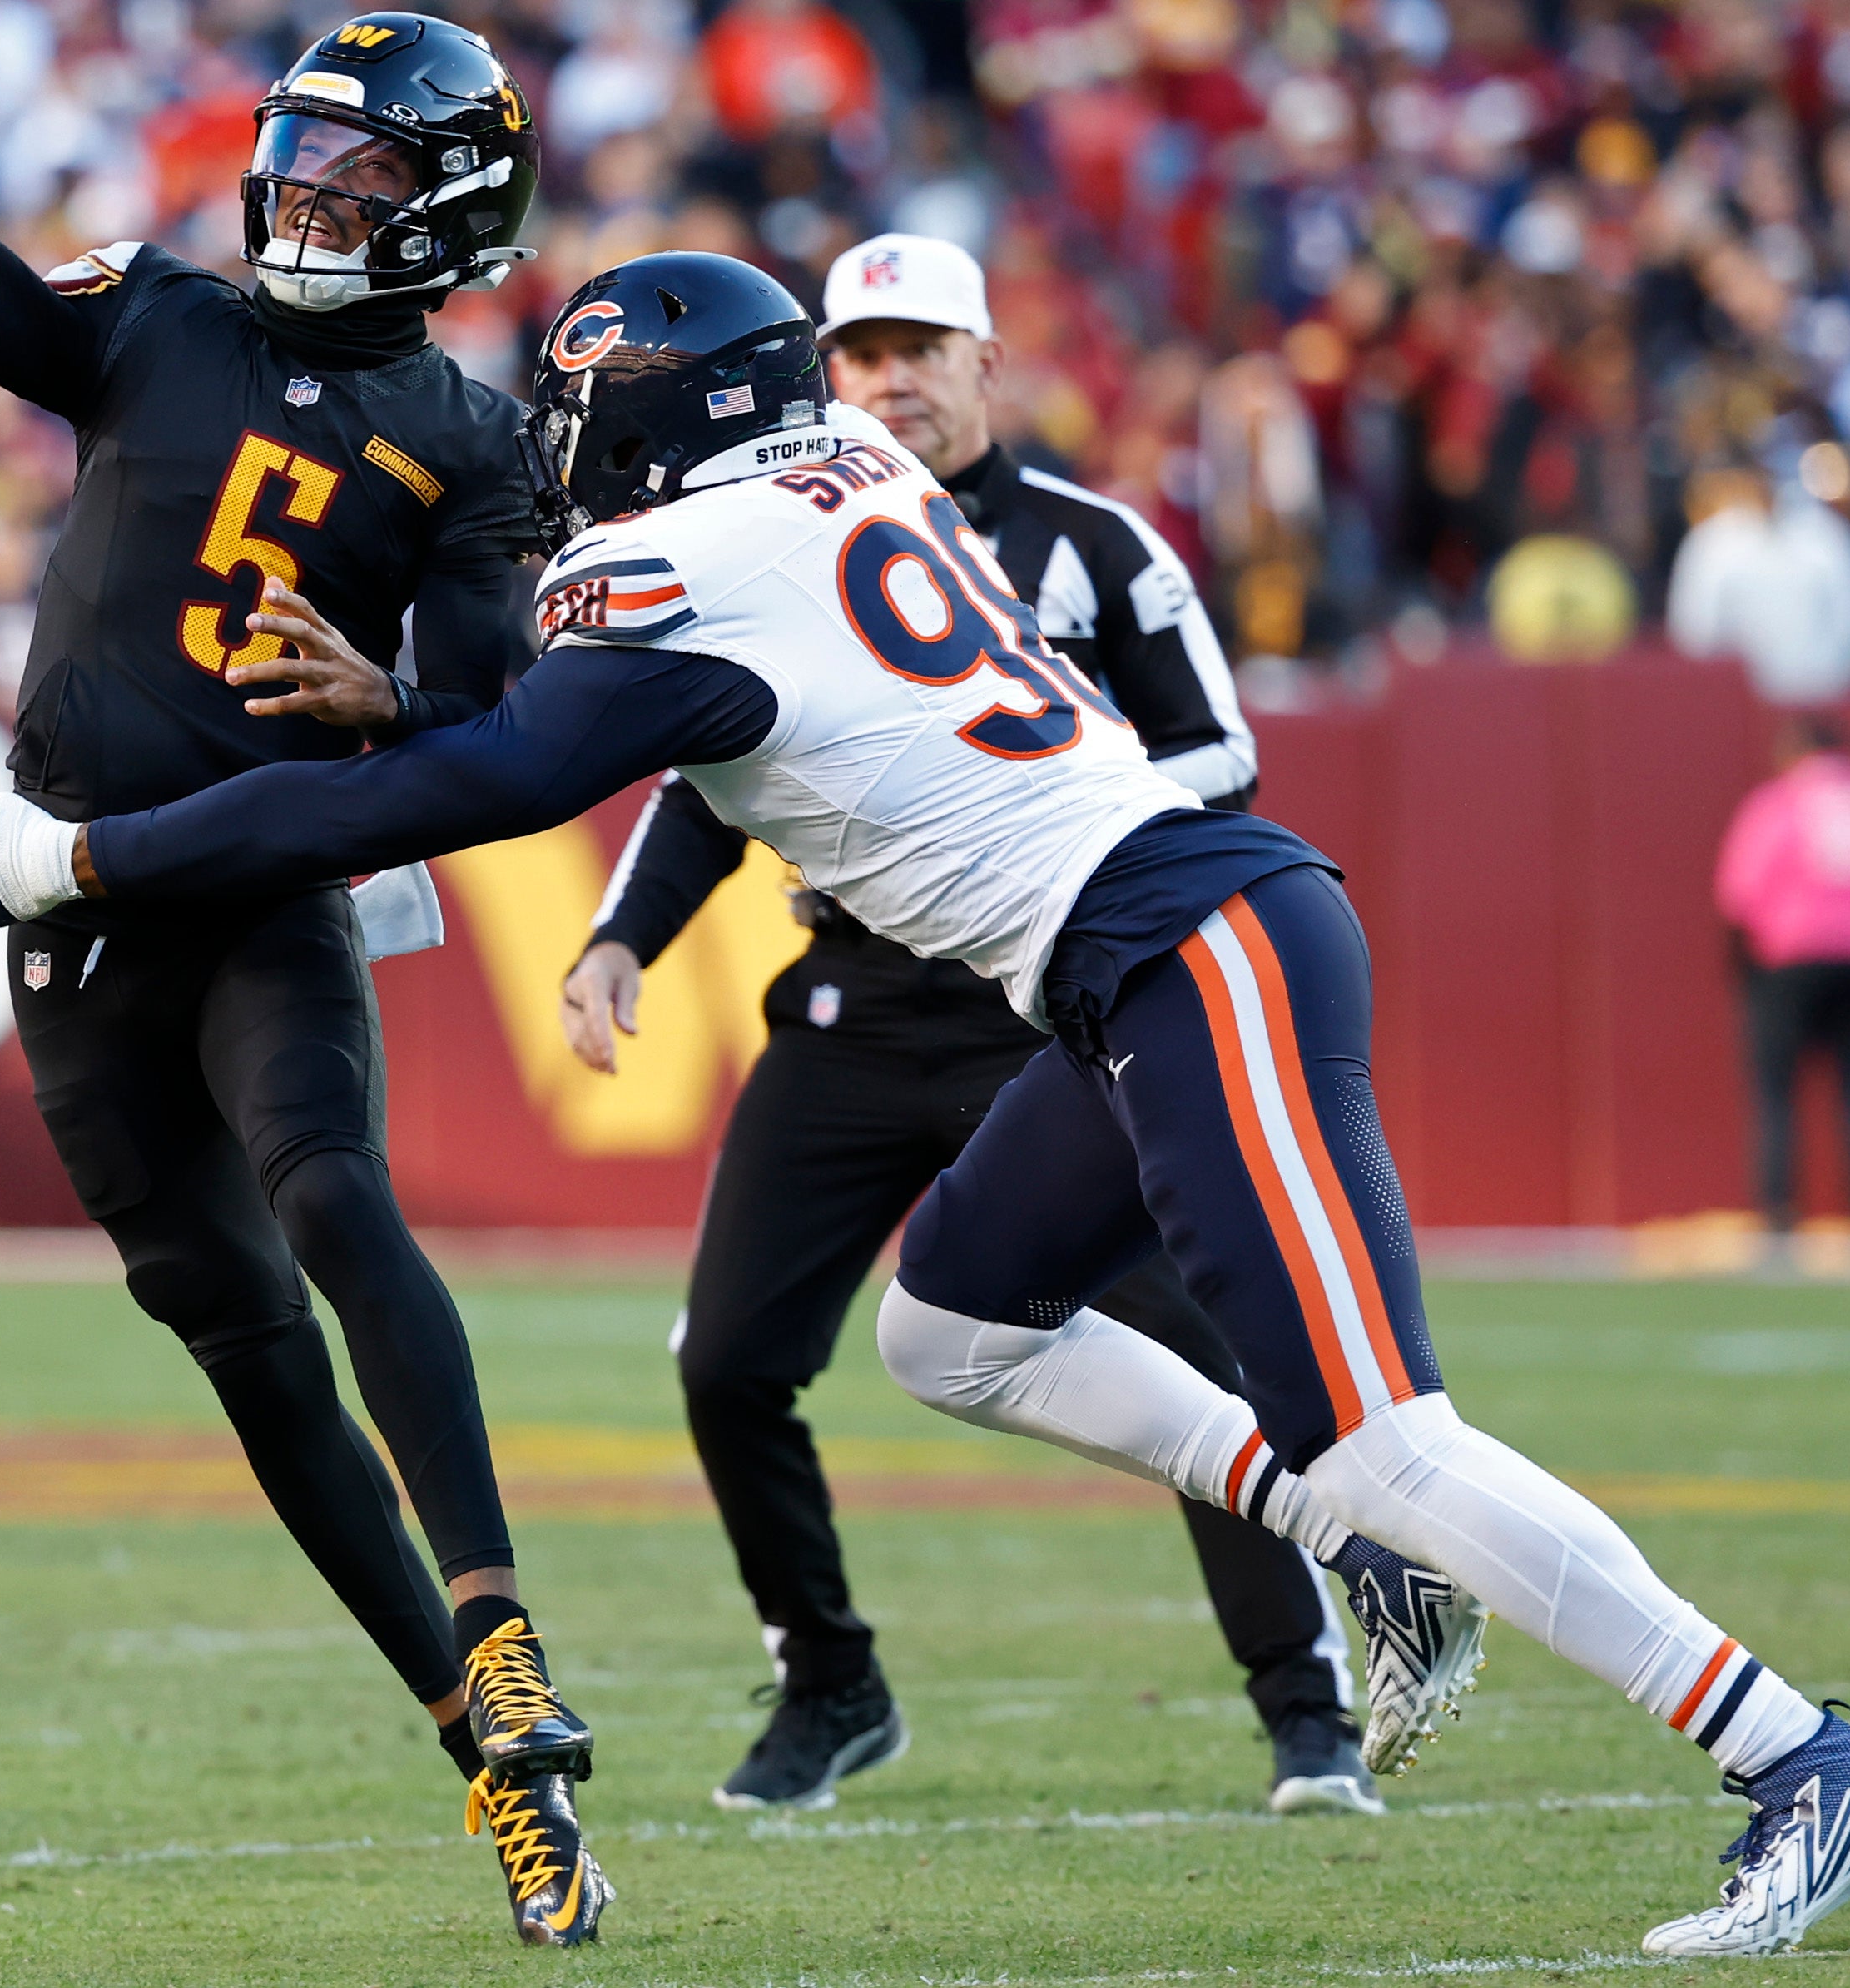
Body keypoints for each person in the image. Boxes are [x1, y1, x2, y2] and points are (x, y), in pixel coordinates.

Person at [0, 252, 1850, 1960]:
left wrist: (70, 859)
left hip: (1188, 939)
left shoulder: (674, 569)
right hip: (1122, 958)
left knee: (1393, 1424)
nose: (564, 455)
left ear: (666, 430)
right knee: (952, 1322)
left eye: (593, 416)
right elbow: (602, 718)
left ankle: (1800, 1752)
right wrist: (427, 713)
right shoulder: (853, 466)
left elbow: (481, 781)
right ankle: (1341, 1526)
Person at [0, 0, 609, 1945]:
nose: (311, 198)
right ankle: (481, 1756)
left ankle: (504, 1630)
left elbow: (504, 719)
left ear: (449, 209)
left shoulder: (474, 437)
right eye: (304, 162)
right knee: (248, 1347)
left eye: (361, 177)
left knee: (336, 1195)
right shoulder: (159, 313)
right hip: (61, 904)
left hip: (254, 885)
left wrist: (395, 690)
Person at [557, 233, 1372, 1817]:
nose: (893, 379)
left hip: (1048, 1008)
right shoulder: (761, 530)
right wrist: (619, 936)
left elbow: (1222, 762)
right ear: (816, 378)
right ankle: (830, 1682)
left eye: (924, 346)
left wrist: (1042, 805)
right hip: (853, 1010)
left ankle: (1303, 1704)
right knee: (725, 1360)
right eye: (861, 354)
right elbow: (700, 773)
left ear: (989, 361)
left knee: (1193, 1350)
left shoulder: (1095, 546)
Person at [1713, 718, 1850, 1230]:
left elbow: (1739, 898)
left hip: (1786, 959)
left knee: (1775, 1091)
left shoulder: (1776, 805)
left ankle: (1779, 1211)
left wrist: (1741, 970)